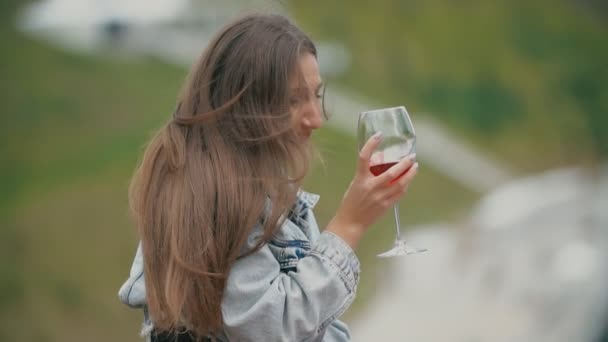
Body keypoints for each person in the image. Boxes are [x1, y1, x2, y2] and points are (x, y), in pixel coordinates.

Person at [118, 13, 418, 342]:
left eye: (315, 95)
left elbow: (319, 327)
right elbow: (270, 327)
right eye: (292, 100)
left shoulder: (244, 185)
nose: (316, 119)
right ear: (243, 102)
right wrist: (349, 225)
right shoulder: (219, 198)